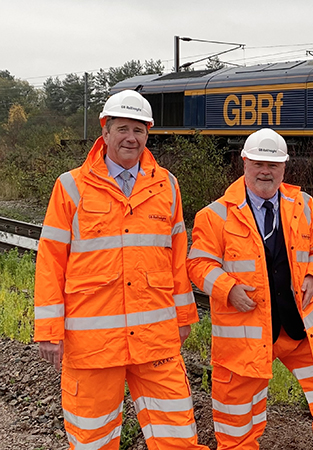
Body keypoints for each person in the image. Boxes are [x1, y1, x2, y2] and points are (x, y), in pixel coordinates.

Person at [34, 89, 208, 450]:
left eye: (139, 130)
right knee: (91, 438)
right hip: (93, 343)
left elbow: (177, 257)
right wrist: (49, 330)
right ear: (105, 131)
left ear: (148, 134)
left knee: (178, 435)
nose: (131, 138)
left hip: (155, 337)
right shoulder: (71, 187)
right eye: (123, 129)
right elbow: (51, 260)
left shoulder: (168, 186)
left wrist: (184, 316)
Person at [186, 128, 313, 450]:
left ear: (284, 168)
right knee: (237, 406)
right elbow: (198, 265)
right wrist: (227, 288)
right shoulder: (214, 215)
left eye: (272, 165)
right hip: (246, 331)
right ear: (244, 162)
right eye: (259, 163)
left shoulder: (303, 205)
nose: (265, 171)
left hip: (297, 324)